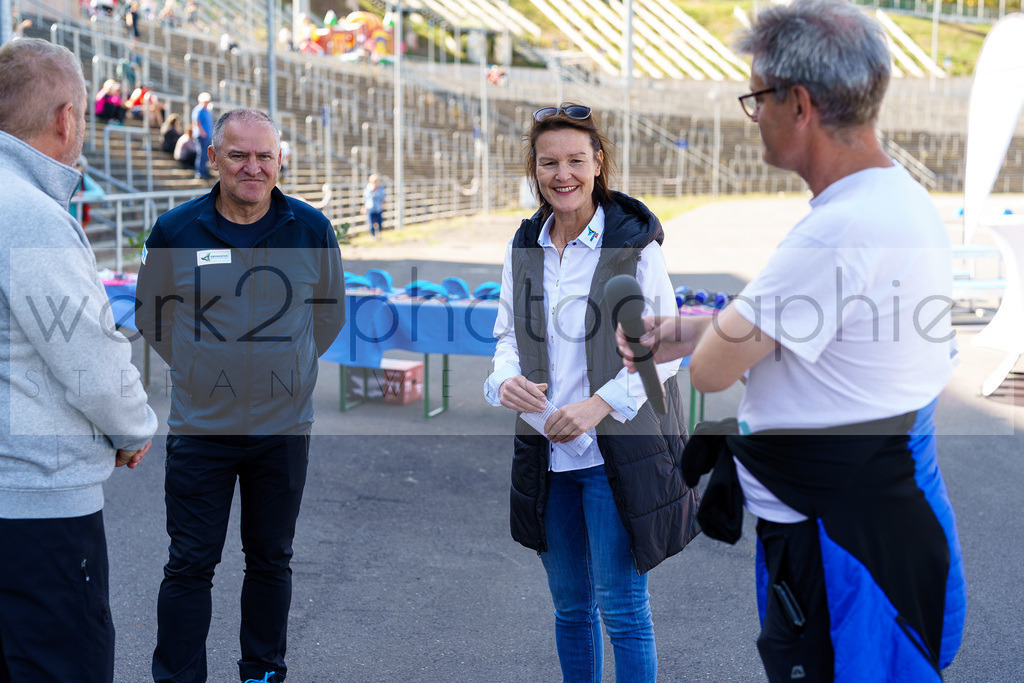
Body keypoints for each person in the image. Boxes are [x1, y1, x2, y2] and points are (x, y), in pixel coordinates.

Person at [616, 2, 966, 679]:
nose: (756, 118)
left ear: (798, 103)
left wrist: (705, 335)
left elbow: (715, 370)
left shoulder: (835, 231)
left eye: (756, 99)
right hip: (886, 516)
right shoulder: (897, 198)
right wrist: (697, 328)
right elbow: (819, 331)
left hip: (842, 544)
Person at [484, 104, 700, 682]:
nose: (563, 175)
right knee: (570, 610)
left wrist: (597, 405)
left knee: (623, 611)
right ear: (534, 168)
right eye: (549, 162)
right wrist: (503, 381)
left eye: (576, 161)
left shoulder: (634, 247)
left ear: (598, 163)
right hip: (547, 454)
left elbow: (667, 351)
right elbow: (507, 333)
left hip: (615, 455)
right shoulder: (526, 244)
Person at [136, 107, 346, 683]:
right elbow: (152, 316)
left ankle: (262, 672)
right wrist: (202, 370)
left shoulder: (311, 229)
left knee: (271, 561)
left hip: (282, 430)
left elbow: (327, 317)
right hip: (201, 428)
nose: (253, 167)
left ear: (280, 161)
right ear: (213, 157)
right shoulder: (176, 231)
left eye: (265, 156)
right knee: (190, 565)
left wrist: (289, 372)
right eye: (239, 154)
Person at [0, 38, 157, 682]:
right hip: (35, 504)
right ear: (66, 118)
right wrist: (134, 427)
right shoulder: (29, 213)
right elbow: (88, 350)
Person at [191, 90, 213, 179]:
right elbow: (196, 122)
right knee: (201, 153)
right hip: (201, 135)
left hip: (207, 135)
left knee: (205, 154)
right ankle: (200, 172)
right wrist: (202, 132)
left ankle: (204, 171)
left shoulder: (206, 110)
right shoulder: (199, 109)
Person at [361, 173, 385, 239]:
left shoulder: (380, 189)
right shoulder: (368, 189)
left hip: (378, 208)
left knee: (379, 223)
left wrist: (382, 205)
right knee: (371, 224)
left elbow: (383, 198)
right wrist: (363, 207)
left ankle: (379, 234)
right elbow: (364, 199)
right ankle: (373, 236)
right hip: (370, 208)